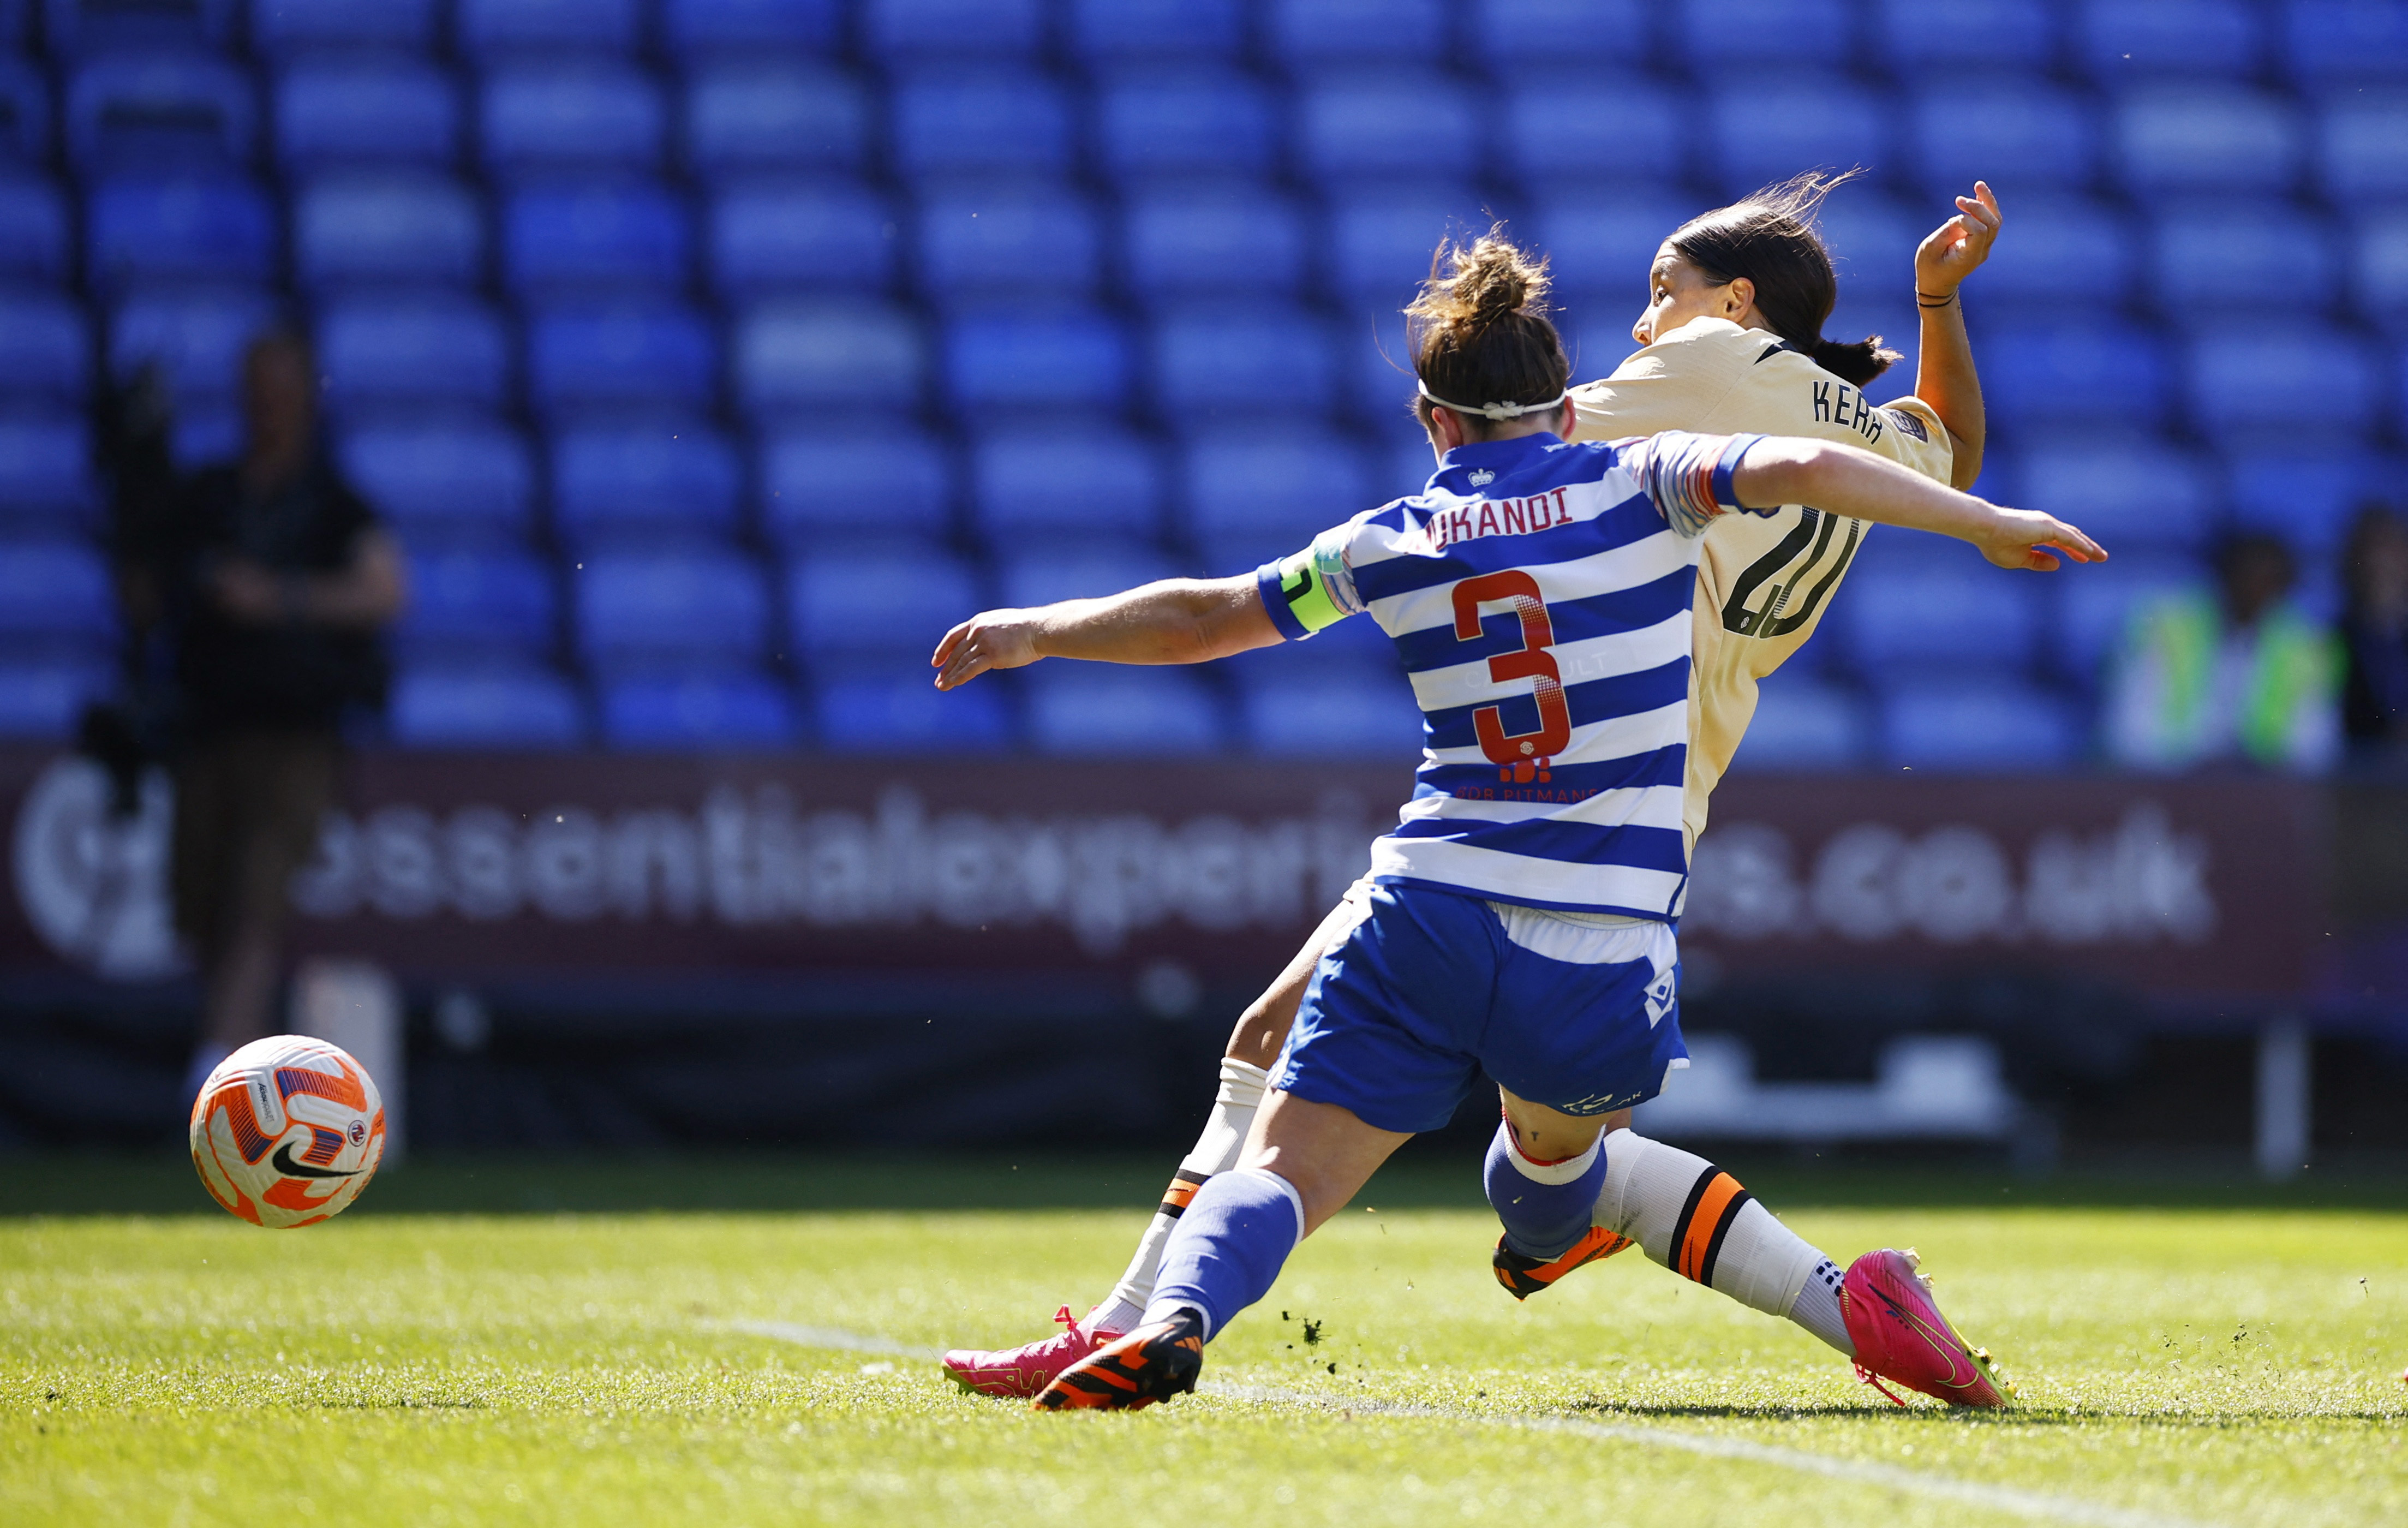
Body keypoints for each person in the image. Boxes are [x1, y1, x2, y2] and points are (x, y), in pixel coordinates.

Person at [931, 231, 2099, 1412]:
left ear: (1432, 418)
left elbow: (1209, 615)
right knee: (1526, 1158)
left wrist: (1039, 628)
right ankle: (1841, 1295)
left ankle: (1164, 1315)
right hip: (1614, 888)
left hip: (1445, 884)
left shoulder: (1399, 530)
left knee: (1331, 1138)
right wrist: (1979, 512)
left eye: (1661, 293)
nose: (1649, 319)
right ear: (1552, 401)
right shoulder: (1657, 477)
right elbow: (1820, 459)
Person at [144, 331, 408, 1098]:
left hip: (298, 735)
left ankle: (216, 1076)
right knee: (201, 908)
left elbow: (385, 591)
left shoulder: (332, 502)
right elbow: (145, 599)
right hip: (207, 728)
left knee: (259, 897)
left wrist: (277, 598)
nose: (269, 408)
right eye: (258, 390)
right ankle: (234, 1063)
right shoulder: (209, 497)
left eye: (282, 390)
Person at [2104, 532, 2340, 774]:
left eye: (2268, 582)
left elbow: (2314, 750)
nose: (2255, 591)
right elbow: (2129, 738)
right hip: (2171, 787)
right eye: (2246, 578)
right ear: (2223, 577)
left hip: (2259, 795)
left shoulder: (2305, 646)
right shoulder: (2165, 627)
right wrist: (2200, 764)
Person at [2338, 502, 2408, 760]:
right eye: (2369, 551)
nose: (2378, 563)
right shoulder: (2329, 639)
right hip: (2358, 781)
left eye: (2390, 549)